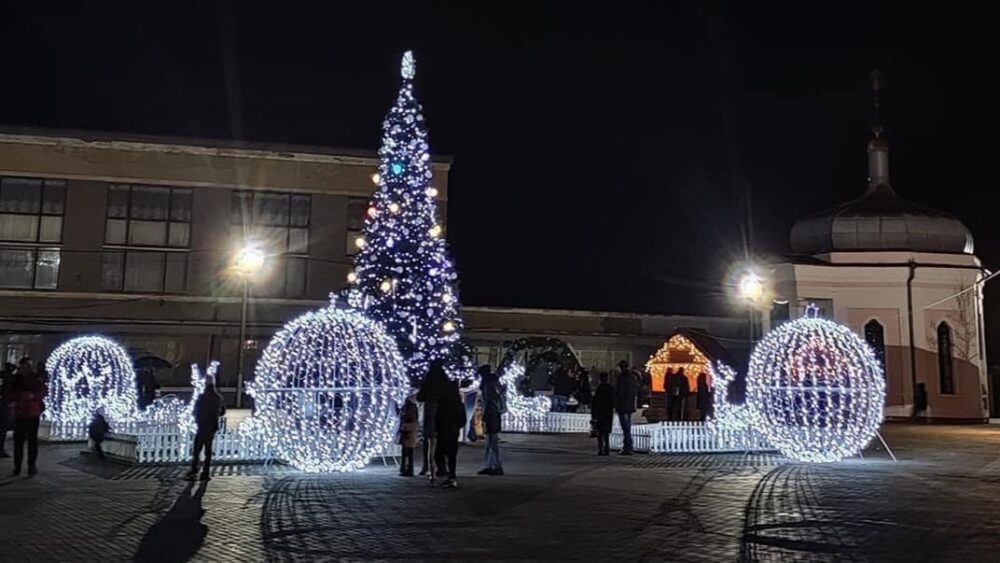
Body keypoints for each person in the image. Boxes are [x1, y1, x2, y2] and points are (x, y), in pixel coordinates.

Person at [9, 358, 46, 476]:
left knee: (32, 441)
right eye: (24, 366)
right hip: (20, 413)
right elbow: (10, 394)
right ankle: (17, 466)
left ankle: (31, 465)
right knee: (18, 441)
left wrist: (32, 396)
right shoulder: (16, 379)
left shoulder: (35, 378)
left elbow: (42, 392)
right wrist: (19, 397)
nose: (25, 368)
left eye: (27, 366)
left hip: (32, 413)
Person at [186, 379, 225, 481]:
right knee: (208, 450)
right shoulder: (218, 398)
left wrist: (197, 417)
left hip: (202, 425)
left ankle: (194, 470)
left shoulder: (202, 398)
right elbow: (222, 412)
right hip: (211, 427)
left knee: (197, 449)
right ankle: (205, 472)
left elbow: (196, 410)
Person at [416, 359, 449, 480]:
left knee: (428, 441)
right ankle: (442, 467)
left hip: (430, 413)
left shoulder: (428, 380)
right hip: (443, 414)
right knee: (442, 442)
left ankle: (428, 466)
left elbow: (420, 397)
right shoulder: (445, 380)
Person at [434, 376, 465, 488]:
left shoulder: (443, 404)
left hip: (444, 431)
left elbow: (438, 417)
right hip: (453, 432)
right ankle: (451, 476)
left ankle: (445, 474)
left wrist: (437, 428)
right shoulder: (459, 405)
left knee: (439, 454)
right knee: (451, 455)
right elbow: (463, 420)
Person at [477, 365, 505, 476]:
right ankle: (490, 465)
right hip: (493, 414)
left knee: (492, 442)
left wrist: (485, 414)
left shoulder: (488, 385)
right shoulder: (493, 384)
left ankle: (495, 465)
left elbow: (489, 401)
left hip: (491, 415)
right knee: (490, 442)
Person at [614, 360, 636, 455]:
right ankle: (628, 445)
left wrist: (616, 403)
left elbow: (620, 392)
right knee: (628, 426)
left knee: (625, 427)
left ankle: (628, 446)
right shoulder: (632, 377)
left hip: (623, 405)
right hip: (630, 404)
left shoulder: (622, 377)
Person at [591, 372, 614, 456]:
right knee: (606, 433)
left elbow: (595, 403)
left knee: (600, 433)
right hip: (608, 413)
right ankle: (607, 448)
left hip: (599, 413)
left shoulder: (599, 389)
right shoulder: (610, 389)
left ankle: (601, 449)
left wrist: (593, 415)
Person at [397, 394, 419, 477]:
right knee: (408, 452)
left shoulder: (410, 410)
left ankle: (407, 470)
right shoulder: (411, 409)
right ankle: (406, 469)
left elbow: (409, 419)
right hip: (409, 432)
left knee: (407, 452)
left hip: (408, 432)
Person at [0, 363, 15, 458]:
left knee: (3, 429)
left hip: (5, 405)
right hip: (4, 406)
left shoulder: (10, 378)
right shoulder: (8, 377)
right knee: (2, 429)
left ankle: (1, 449)